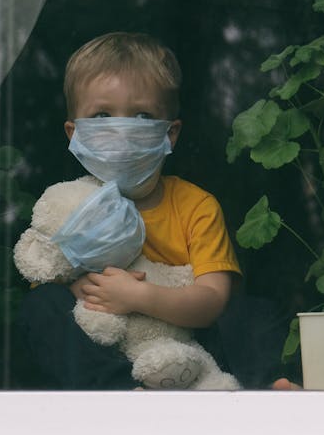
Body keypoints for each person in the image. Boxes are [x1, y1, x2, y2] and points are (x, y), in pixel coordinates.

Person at [18, 31, 270, 389]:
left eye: (141, 116)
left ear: (170, 133)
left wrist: (140, 297)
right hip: (102, 354)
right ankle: (125, 397)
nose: (121, 130)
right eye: (102, 114)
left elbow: (213, 300)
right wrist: (84, 289)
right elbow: (46, 278)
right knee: (41, 306)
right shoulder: (68, 205)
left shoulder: (196, 206)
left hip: (178, 351)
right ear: (75, 133)